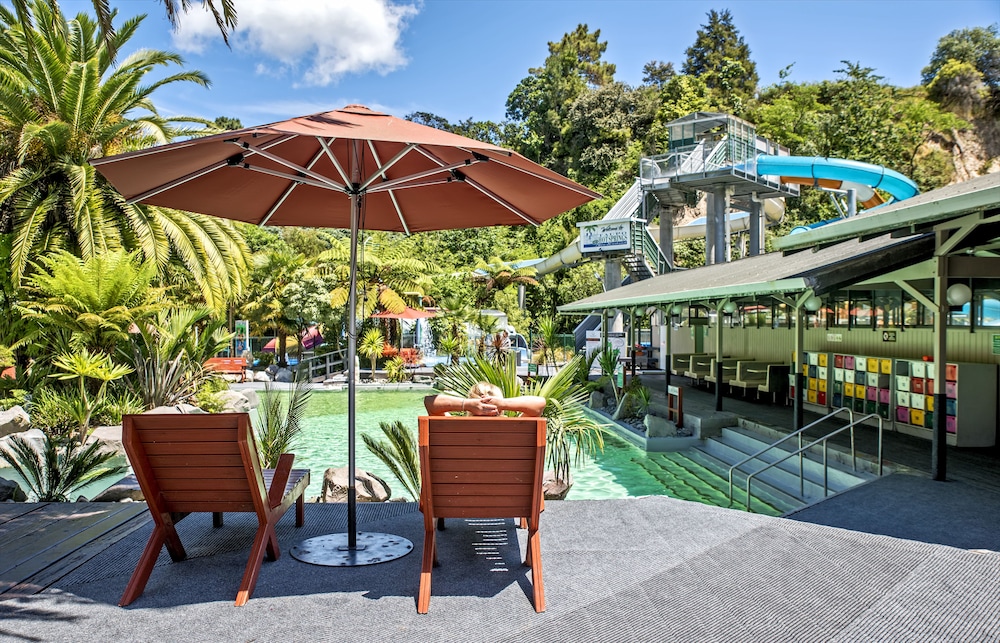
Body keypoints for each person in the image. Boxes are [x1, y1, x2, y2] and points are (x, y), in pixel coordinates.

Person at [423, 381, 546, 417]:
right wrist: (502, 403)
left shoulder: (455, 428)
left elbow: (430, 402)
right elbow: (540, 403)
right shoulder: (514, 428)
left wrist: (466, 404)